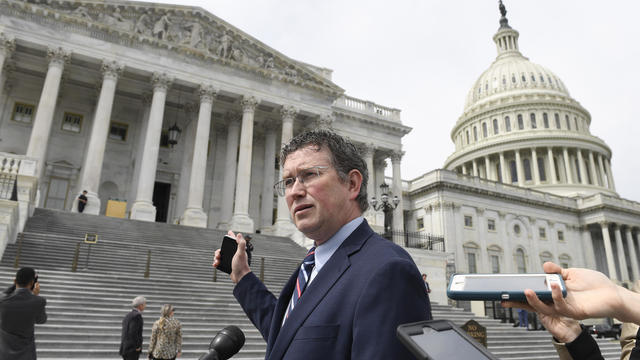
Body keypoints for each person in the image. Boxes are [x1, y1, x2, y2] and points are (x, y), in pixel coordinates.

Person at [213, 129, 428, 359]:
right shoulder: (315, 263)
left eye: (310, 174)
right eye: (288, 181)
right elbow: (289, 337)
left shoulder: (388, 271)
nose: (295, 191)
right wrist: (243, 276)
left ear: (352, 184)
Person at [0, 267, 47, 360]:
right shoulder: (39, 302)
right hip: (26, 354)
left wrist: (15, 285)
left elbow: (4, 294)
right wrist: (35, 296)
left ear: (15, 281)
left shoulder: (3, 300)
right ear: (32, 283)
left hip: (4, 353)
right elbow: (41, 320)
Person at [120, 296, 146, 360]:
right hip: (132, 349)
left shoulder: (128, 315)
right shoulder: (137, 316)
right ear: (140, 305)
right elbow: (133, 332)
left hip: (125, 348)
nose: (145, 306)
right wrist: (137, 346)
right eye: (144, 304)